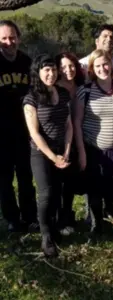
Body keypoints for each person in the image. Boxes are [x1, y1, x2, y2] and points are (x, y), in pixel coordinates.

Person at [74, 49, 113, 234]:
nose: (102, 68)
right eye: (98, 65)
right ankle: (96, 225)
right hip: (92, 148)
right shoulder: (85, 91)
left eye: (105, 64)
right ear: (92, 68)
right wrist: (82, 152)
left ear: (111, 65)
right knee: (94, 189)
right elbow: (77, 122)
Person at [23, 54, 73, 257]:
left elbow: (68, 125)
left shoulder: (62, 93)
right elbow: (34, 133)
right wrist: (53, 157)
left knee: (58, 192)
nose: (51, 73)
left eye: (53, 69)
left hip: (63, 151)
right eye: (46, 70)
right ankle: (46, 236)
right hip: (41, 153)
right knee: (46, 194)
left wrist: (67, 152)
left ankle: (54, 227)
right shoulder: (31, 98)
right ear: (38, 72)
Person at [0, 20, 37, 232]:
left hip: (24, 132)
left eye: (12, 37)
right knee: (4, 181)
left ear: (19, 38)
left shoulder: (27, 63)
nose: (8, 42)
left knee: (25, 177)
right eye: (3, 38)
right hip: (1, 133)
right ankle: (12, 219)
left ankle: (30, 216)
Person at [55, 52, 85, 236]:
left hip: (79, 137)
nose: (68, 70)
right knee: (59, 182)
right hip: (61, 139)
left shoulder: (81, 86)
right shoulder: (55, 88)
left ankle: (68, 213)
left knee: (71, 182)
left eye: (71, 65)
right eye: (64, 67)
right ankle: (60, 219)